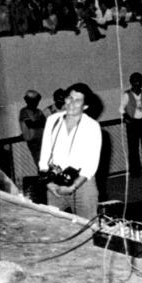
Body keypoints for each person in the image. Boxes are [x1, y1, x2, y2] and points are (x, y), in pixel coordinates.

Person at [38, 82, 103, 220]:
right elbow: (44, 156)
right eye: (69, 98)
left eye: (77, 100)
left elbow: (90, 166)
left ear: (85, 106)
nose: (71, 103)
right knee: (53, 226)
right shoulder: (52, 120)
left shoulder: (92, 126)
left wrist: (73, 187)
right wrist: (49, 183)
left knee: (86, 227)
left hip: (82, 184)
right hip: (54, 183)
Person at [121, 72, 142, 175]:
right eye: (135, 82)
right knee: (133, 148)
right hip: (133, 123)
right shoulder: (127, 95)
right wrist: (128, 119)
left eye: (139, 82)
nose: (137, 84)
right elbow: (121, 109)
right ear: (131, 83)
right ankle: (135, 171)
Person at [18, 89, 46, 162]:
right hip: (33, 141)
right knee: (40, 160)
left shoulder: (38, 111)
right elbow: (31, 124)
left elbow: (45, 123)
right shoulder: (24, 111)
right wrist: (40, 123)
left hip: (42, 139)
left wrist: (38, 123)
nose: (36, 103)